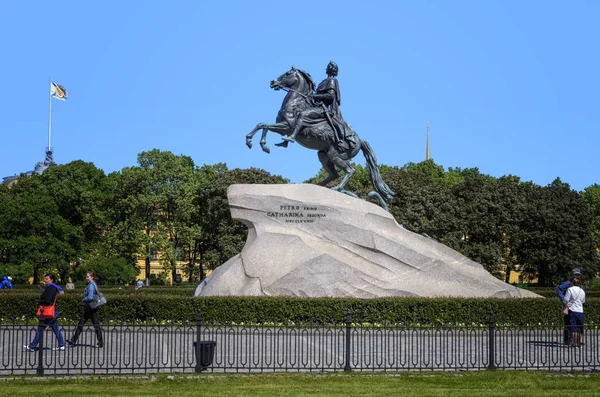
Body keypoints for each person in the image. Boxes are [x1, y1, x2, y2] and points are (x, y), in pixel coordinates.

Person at [278, 61, 345, 146]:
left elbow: (330, 95)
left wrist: (315, 96)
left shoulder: (332, 80)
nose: (326, 68)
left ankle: (293, 136)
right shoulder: (324, 81)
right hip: (316, 106)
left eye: (328, 66)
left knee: (303, 114)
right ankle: (286, 141)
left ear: (331, 69)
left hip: (322, 108)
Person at [23, 273, 65, 351]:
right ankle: (61, 345)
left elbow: (48, 300)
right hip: (52, 311)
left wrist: (40, 302)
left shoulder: (51, 288)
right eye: (45, 278)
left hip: (49, 311)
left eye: (47, 279)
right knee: (55, 328)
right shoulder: (50, 287)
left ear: (51, 280)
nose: (45, 280)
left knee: (40, 329)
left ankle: (32, 346)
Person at [66, 271, 104, 348]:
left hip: (90, 307)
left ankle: (100, 342)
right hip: (91, 307)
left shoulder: (91, 285)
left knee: (90, 324)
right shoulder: (93, 284)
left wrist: (83, 300)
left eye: (88, 277)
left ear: (92, 277)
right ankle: (73, 340)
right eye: (86, 276)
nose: (86, 278)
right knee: (85, 323)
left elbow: (90, 297)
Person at [556, 268, 584, 345]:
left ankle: (576, 341)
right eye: (576, 274)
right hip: (569, 305)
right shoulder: (568, 283)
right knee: (569, 323)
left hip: (577, 306)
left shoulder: (580, 284)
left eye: (579, 275)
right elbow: (558, 289)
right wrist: (563, 299)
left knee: (576, 324)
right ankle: (568, 339)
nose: (578, 276)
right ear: (572, 275)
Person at [564, 274, 585, 346]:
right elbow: (583, 301)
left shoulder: (570, 289)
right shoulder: (582, 291)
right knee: (579, 327)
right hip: (580, 310)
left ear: (572, 282)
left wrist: (567, 305)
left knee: (573, 327)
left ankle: (574, 342)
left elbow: (566, 300)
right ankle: (578, 342)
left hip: (572, 310)